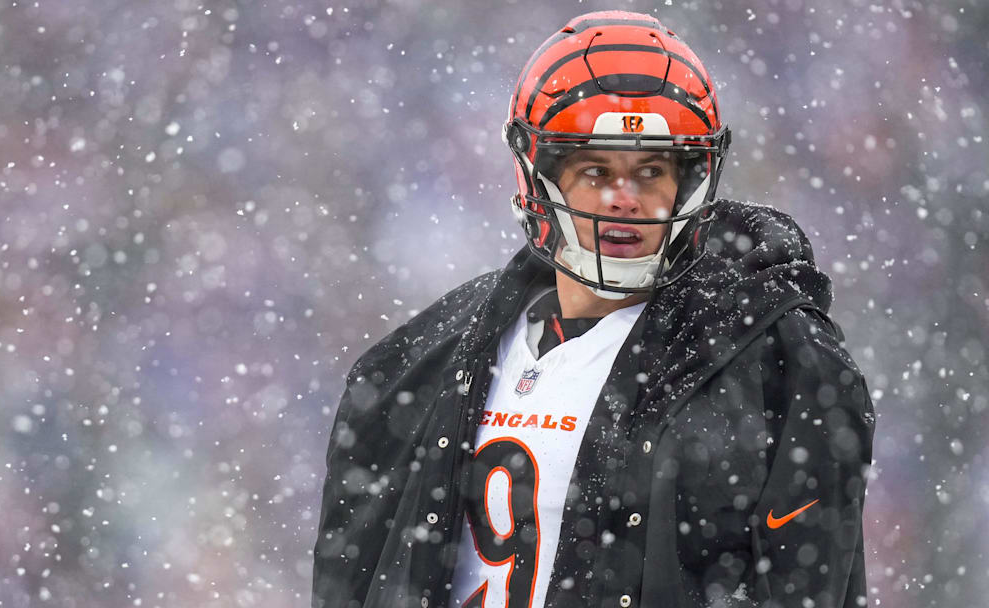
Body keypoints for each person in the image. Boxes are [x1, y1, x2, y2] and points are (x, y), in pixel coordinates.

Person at [313, 10, 875, 608]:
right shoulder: (427, 357)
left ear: (691, 183)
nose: (624, 199)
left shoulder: (768, 359)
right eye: (595, 169)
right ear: (539, 176)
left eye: (651, 170)